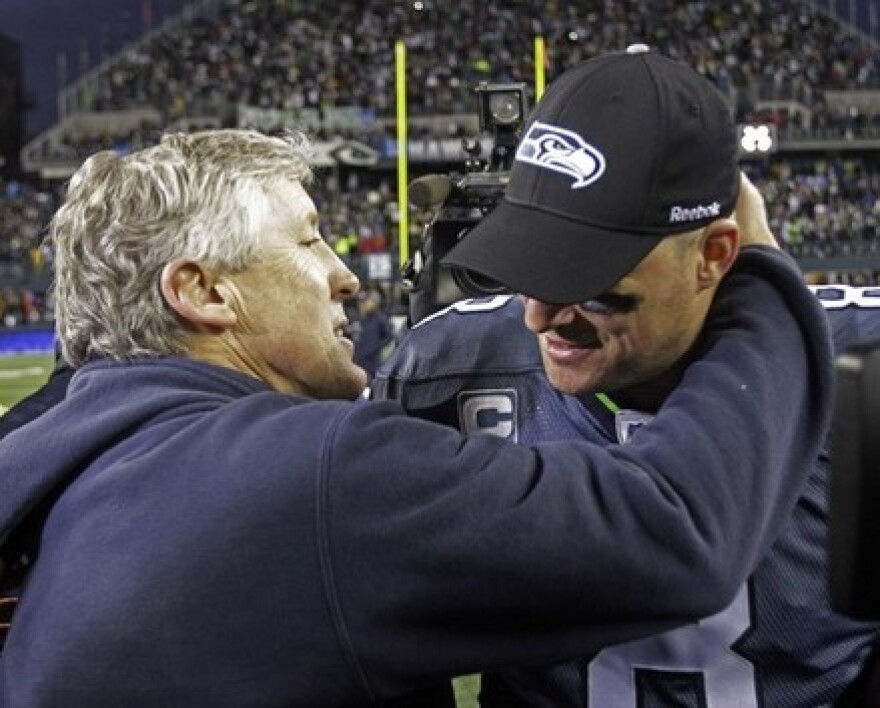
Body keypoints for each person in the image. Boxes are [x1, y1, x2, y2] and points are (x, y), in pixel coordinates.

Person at [0, 126, 831, 708]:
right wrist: (756, 274)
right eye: (309, 240)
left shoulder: (61, 454)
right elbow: (674, 529)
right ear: (203, 292)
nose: (346, 277)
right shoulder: (308, 473)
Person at [374, 47, 880, 707]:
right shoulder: (447, 370)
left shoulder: (862, 369)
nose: (540, 316)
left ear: (715, 255)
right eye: (529, 269)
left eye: (593, 287)